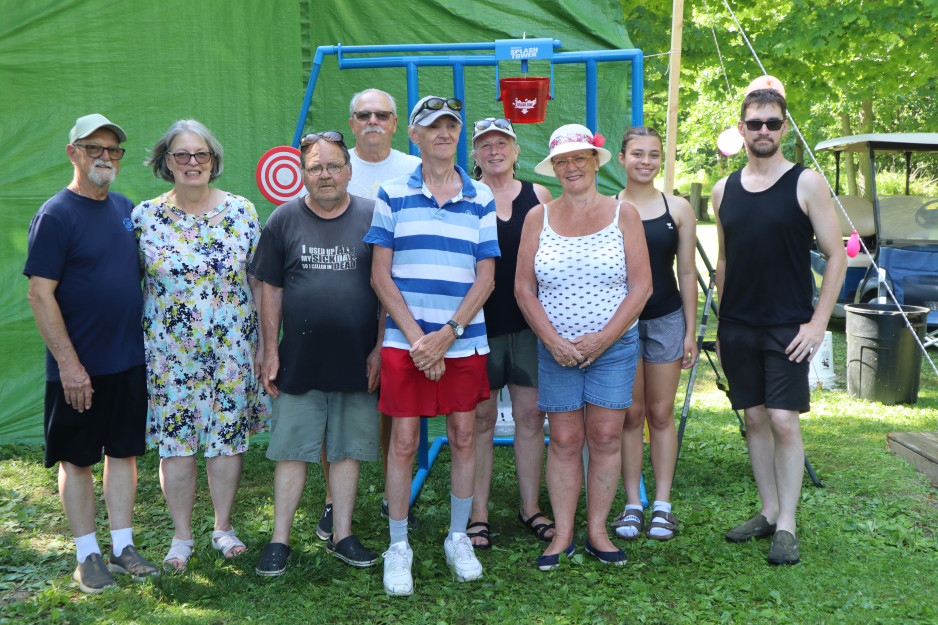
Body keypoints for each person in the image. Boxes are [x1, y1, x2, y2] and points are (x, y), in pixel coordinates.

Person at [365, 96, 499, 596]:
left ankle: (457, 537)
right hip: (407, 342)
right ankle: (398, 546)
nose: (444, 133)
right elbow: (381, 274)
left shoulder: (480, 197)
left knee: (465, 436)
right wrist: (421, 340)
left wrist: (447, 336)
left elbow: (485, 278)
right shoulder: (392, 193)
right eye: (432, 126)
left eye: (451, 125)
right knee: (402, 443)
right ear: (414, 137)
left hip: (462, 341)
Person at [24, 114, 159, 593]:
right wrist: (69, 365)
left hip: (128, 361)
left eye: (114, 150)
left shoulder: (126, 208)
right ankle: (87, 556)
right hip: (77, 370)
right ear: (73, 153)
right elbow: (40, 295)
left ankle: (122, 547)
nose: (105, 156)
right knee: (78, 461)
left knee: (123, 454)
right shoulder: (55, 215)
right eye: (94, 148)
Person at [712, 79, 845, 565]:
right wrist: (723, 326)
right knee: (753, 418)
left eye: (772, 123)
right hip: (738, 324)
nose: (763, 130)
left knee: (784, 420)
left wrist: (817, 324)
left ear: (784, 128)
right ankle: (767, 511)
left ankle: (787, 524)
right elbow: (724, 262)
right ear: (742, 130)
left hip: (789, 324)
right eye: (754, 123)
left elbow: (835, 258)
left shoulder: (806, 183)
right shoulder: (723, 189)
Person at [133, 120, 270, 572]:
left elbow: (257, 280)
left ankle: (223, 527)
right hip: (170, 355)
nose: (193, 163)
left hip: (231, 348)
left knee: (226, 441)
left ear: (214, 161)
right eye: (182, 155)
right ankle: (181, 537)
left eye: (201, 155)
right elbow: (129, 283)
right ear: (165, 162)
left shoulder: (243, 212)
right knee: (177, 444)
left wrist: (264, 344)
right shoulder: (144, 217)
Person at [516, 123, 651, 570]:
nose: (571, 167)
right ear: (553, 168)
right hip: (557, 351)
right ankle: (564, 531)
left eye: (579, 158)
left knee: (607, 436)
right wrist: (553, 341)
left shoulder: (623, 213)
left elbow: (641, 287)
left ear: (596, 161)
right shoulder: (538, 216)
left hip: (612, 348)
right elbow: (522, 289)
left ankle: (597, 530)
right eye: (562, 161)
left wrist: (603, 338)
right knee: (566, 439)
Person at [251, 131, 383, 576]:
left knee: (346, 450)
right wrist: (270, 349)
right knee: (291, 450)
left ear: (348, 170)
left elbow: (386, 289)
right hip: (298, 358)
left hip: (356, 357)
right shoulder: (283, 220)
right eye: (315, 168)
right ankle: (279, 540)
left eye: (333, 166)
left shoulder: (372, 215)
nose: (325, 175)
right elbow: (270, 289)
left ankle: (342, 534)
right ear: (302, 175)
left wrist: (381, 349)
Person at [313, 89, 422, 543]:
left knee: (396, 407)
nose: (373, 121)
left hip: (399, 300)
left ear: (396, 123)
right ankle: (332, 501)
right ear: (352, 122)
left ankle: (389, 495)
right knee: (334, 401)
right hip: (342, 302)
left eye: (382, 114)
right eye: (364, 115)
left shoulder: (414, 170)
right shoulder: (333, 166)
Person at [466, 117, 554, 550]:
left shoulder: (539, 195)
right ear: (476, 154)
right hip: (478, 324)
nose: (495, 151)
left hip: (527, 324)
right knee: (480, 420)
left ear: (517, 151)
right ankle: (477, 512)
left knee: (530, 417)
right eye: (486, 144)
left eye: (502, 143)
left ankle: (529, 506)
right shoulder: (465, 195)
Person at [610, 127, 698, 542]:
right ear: (622, 158)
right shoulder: (607, 208)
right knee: (630, 414)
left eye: (654, 155)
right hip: (621, 323)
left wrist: (691, 330)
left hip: (666, 318)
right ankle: (632, 504)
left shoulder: (677, 208)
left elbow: (686, 274)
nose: (646, 162)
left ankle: (662, 504)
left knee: (660, 415)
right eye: (637, 154)